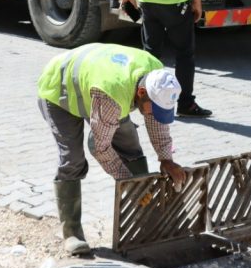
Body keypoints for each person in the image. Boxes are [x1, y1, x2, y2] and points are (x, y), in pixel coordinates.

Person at [37, 43, 188, 255]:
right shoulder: (112, 96)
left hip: (96, 81)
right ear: (142, 92)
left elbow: (155, 121)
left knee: (130, 146)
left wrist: (166, 158)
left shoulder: (157, 77)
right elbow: (99, 147)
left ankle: (147, 221)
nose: (153, 113)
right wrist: (127, 182)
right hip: (59, 90)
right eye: (151, 108)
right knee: (73, 159)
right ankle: (72, 232)